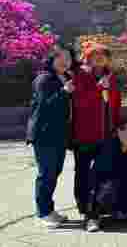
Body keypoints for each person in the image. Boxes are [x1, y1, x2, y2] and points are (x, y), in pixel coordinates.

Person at [71, 43, 122, 219]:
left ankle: (102, 207)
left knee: (105, 173)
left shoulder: (111, 77)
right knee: (83, 173)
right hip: (85, 134)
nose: (99, 58)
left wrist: (116, 127)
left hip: (107, 134)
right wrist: (99, 88)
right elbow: (79, 102)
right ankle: (86, 210)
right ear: (88, 57)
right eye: (95, 54)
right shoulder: (81, 75)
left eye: (103, 55)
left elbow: (115, 104)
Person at [26, 46, 74, 228]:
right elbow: (43, 106)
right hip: (44, 134)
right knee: (46, 173)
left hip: (59, 134)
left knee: (54, 172)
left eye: (68, 58)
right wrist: (63, 92)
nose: (66, 61)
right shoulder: (44, 78)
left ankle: (49, 209)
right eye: (62, 57)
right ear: (52, 59)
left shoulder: (66, 77)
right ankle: (43, 212)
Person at [85, 120, 127, 233]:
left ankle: (123, 211)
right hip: (100, 192)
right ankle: (93, 218)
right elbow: (95, 182)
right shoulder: (108, 150)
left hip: (117, 191)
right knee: (110, 186)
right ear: (119, 132)